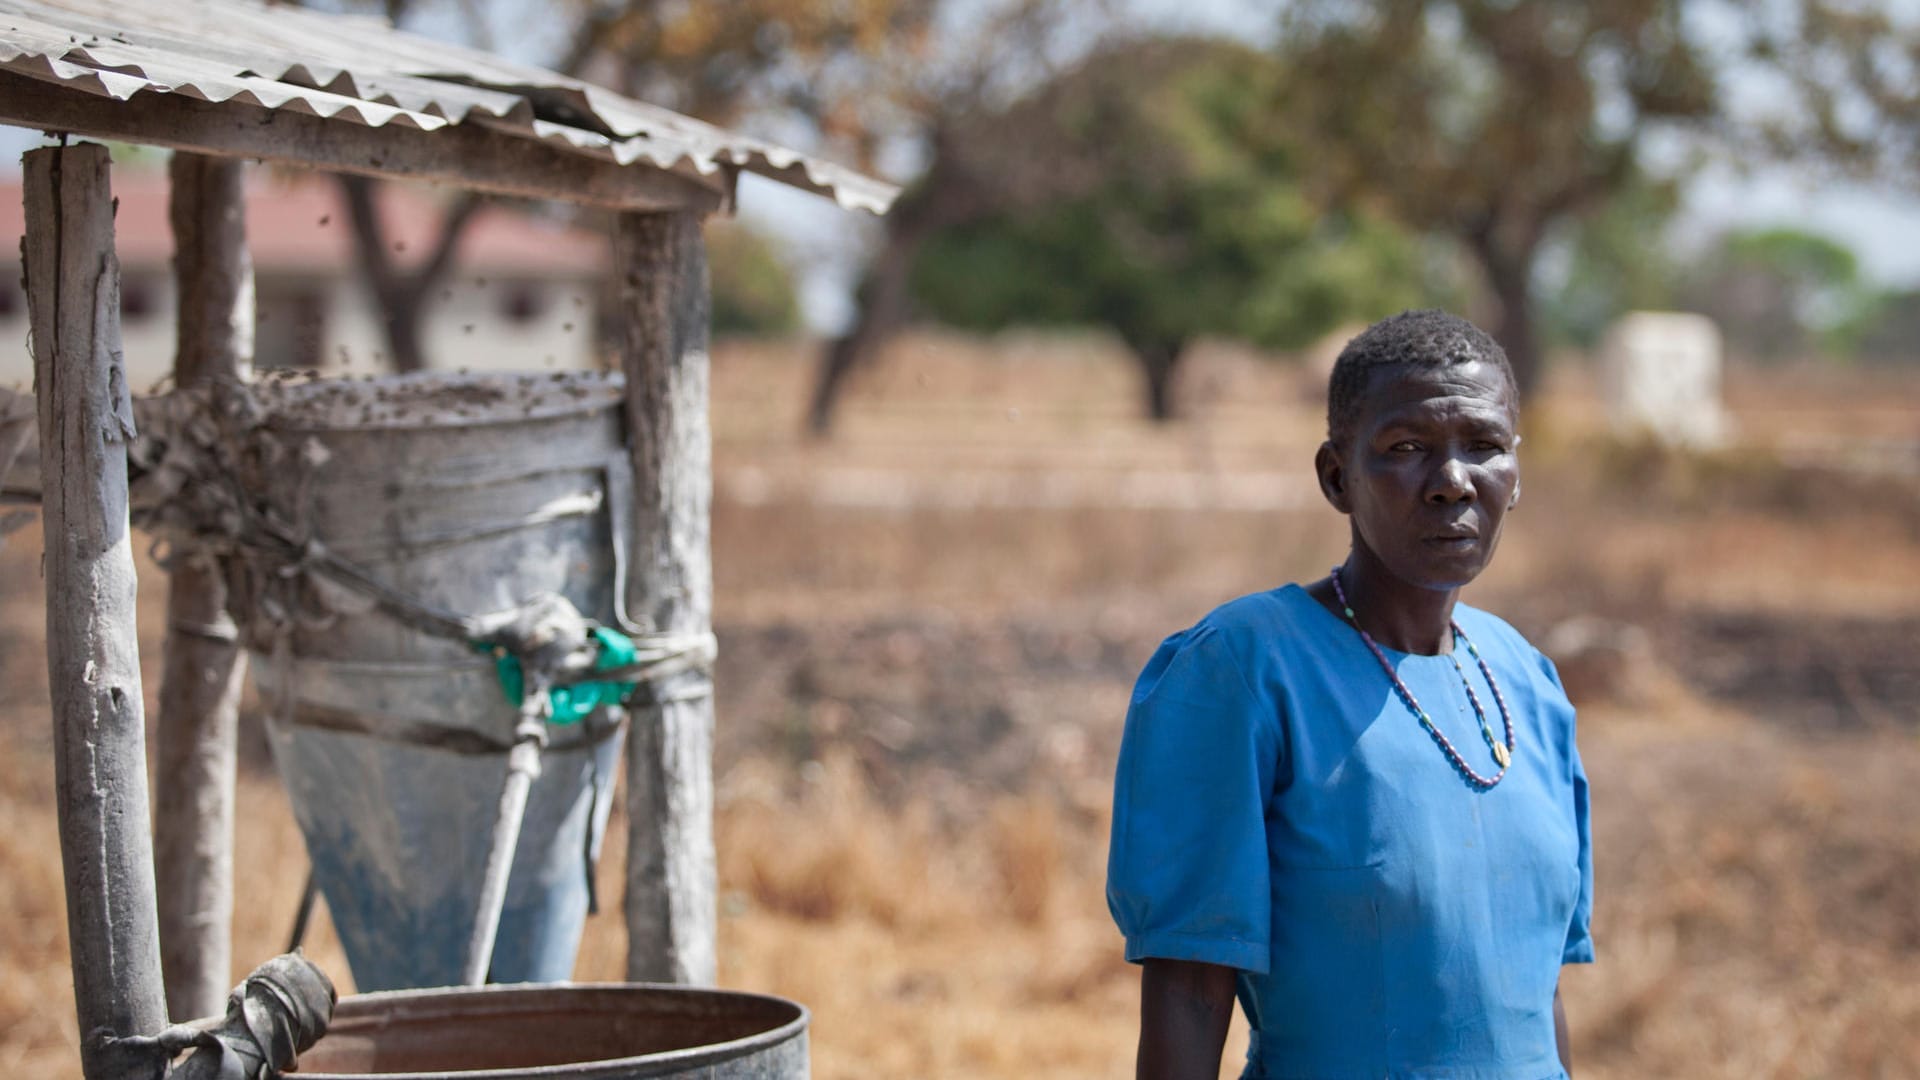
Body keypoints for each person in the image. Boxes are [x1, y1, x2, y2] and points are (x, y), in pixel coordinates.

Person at [1107, 310, 1593, 1079]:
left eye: (1484, 447)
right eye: (1406, 450)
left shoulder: (1525, 681)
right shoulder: (1244, 667)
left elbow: (1539, 999)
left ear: (1516, 472)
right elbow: (1190, 990)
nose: (1452, 483)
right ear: (1337, 476)